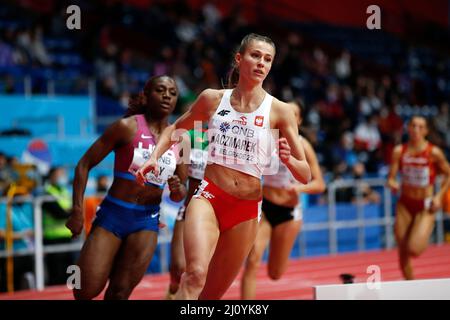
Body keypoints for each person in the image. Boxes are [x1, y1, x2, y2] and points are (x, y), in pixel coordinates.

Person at [136, 33, 311, 300]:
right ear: (239, 59)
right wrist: (153, 157)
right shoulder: (213, 99)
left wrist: (289, 160)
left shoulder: (281, 111)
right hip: (208, 197)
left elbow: (306, 174)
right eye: (255, 56)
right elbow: (175, 128)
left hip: (246, 209)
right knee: (194, 274)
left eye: (268, 59)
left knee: (211, 296)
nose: (261, 63)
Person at [65, 75, 187, 300]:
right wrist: (77, 210)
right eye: (160, 90)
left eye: (172, 92)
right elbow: (83, 164)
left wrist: (178, 187)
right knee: (84, 289)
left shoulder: (181, 139)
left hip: (146, 221)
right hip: (113, 215)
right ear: (146, 95)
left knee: (120, 293)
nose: (167, 96)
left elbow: (180, 195)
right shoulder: (126, 127)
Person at [240, 101, 325, 299]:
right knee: (252, 260)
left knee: (275, 273)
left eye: (293, 114)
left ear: (299, 120)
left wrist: (298, 187)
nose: (287, 117)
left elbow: (320, 184)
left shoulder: (303, 146)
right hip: (266, 208)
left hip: (288, 213)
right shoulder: (267, 139)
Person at [387, 115, 450, 280]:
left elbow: (448, 174)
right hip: (405, 204)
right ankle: (410, 284)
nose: (416, 130)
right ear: (408, 128)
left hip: (426, 205)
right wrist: (392, 182)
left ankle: (423, 230)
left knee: (414, 248)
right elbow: (391, 177)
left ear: (426, 131)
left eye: (420, 127)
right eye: (413, 126)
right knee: (402, 247)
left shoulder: (433, 152)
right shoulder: (399, 151)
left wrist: (439, 196)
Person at [166, 126, 209, 300]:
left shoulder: (231, 140)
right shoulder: (190, 136)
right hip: (190, 208)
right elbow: (182, 182)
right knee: (178, 268)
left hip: (217, 213)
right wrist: (177, 186)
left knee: (202, 276)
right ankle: (171, 292)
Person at [42, 166, 75, 285]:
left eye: (63, 174)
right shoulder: (46, 192)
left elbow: (72, 210)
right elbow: (59, 213)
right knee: (56, 272)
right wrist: (73, 211)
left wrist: (71, 210)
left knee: (69, 270)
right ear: (51, 176)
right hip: (52, 238)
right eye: (59, 174)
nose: (61, 177)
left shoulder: (64, 191)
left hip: (66, 236)